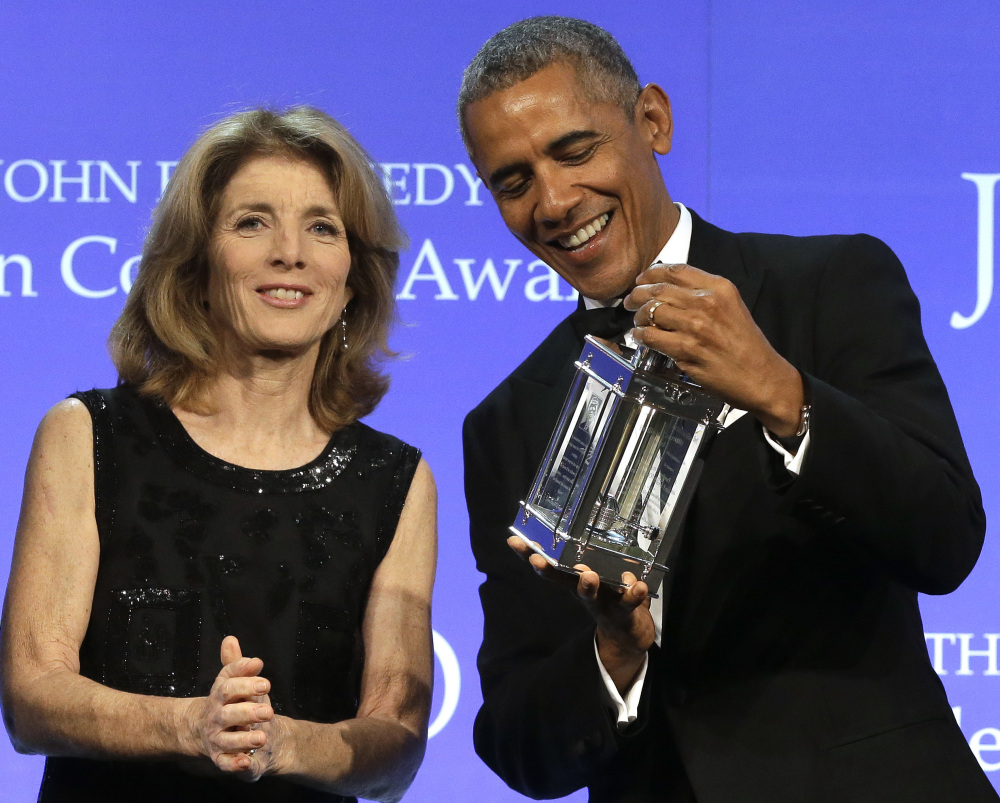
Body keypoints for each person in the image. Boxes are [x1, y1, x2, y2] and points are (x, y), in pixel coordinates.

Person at [459, 16, 996, 803]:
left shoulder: (829, 284)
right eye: (513, 180)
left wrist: (786, 394)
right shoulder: (508, 420)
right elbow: (519, 745)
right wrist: (612, 654)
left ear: (653, 120)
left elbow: (946, 536)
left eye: (575, 150)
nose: (554, 200)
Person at [0, 106, 437, 803]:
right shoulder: (84, 434)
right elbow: (31, 695)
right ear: (198, 264)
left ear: (353, 278)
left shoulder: (396, 479)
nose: (289, 252)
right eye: (252, 222)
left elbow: (395, 740)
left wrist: (284, 741)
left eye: (322, 227)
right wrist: (191, 725)